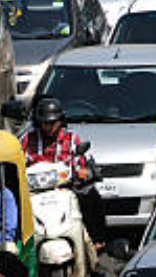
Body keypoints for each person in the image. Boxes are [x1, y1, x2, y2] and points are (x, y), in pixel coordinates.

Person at [21, 98, 106, 246]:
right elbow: (18, 161)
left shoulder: (72, 138)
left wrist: (82, 172)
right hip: (34, 192)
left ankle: (96, 240)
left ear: (61, 121)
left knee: (91, 196)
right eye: (45, 123)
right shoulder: (27, 139)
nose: (49, 127)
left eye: (53, 122)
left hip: (65, 188)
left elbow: (79, 161)